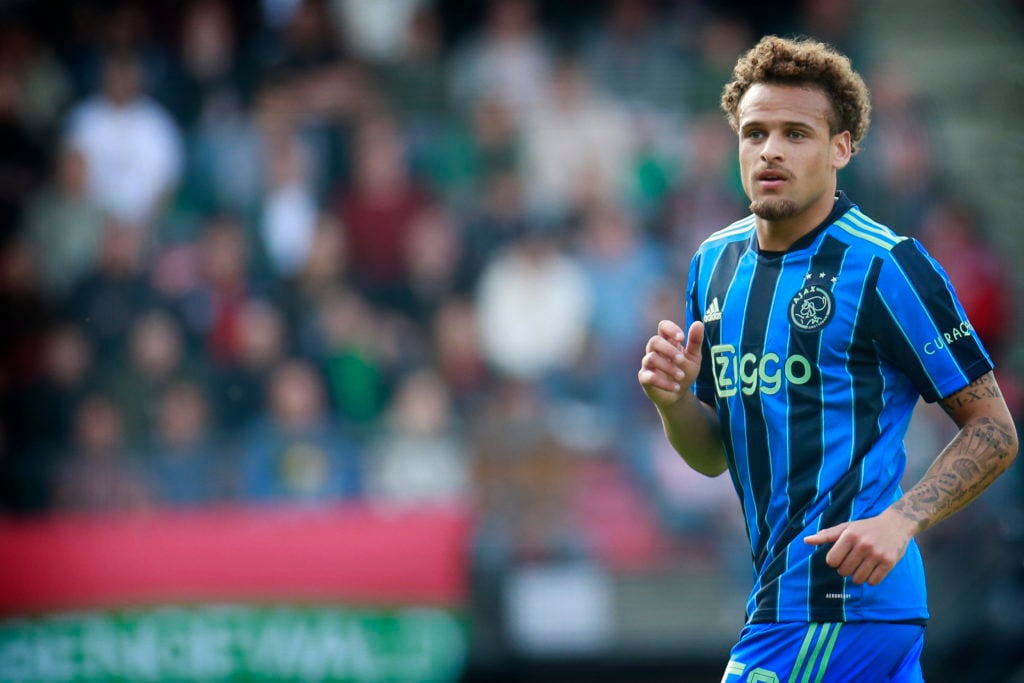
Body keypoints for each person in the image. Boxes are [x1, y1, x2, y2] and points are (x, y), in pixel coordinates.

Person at [637, 36, 1018, 682]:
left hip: (838, 604)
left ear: (842, 147)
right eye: (754, 132)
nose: (771, 150)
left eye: (796, 133)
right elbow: (712, 457)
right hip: (793, 601)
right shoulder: (714, 264)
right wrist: (673, 402)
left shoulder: (885, 266)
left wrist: (902, 517)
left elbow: (995, 430)